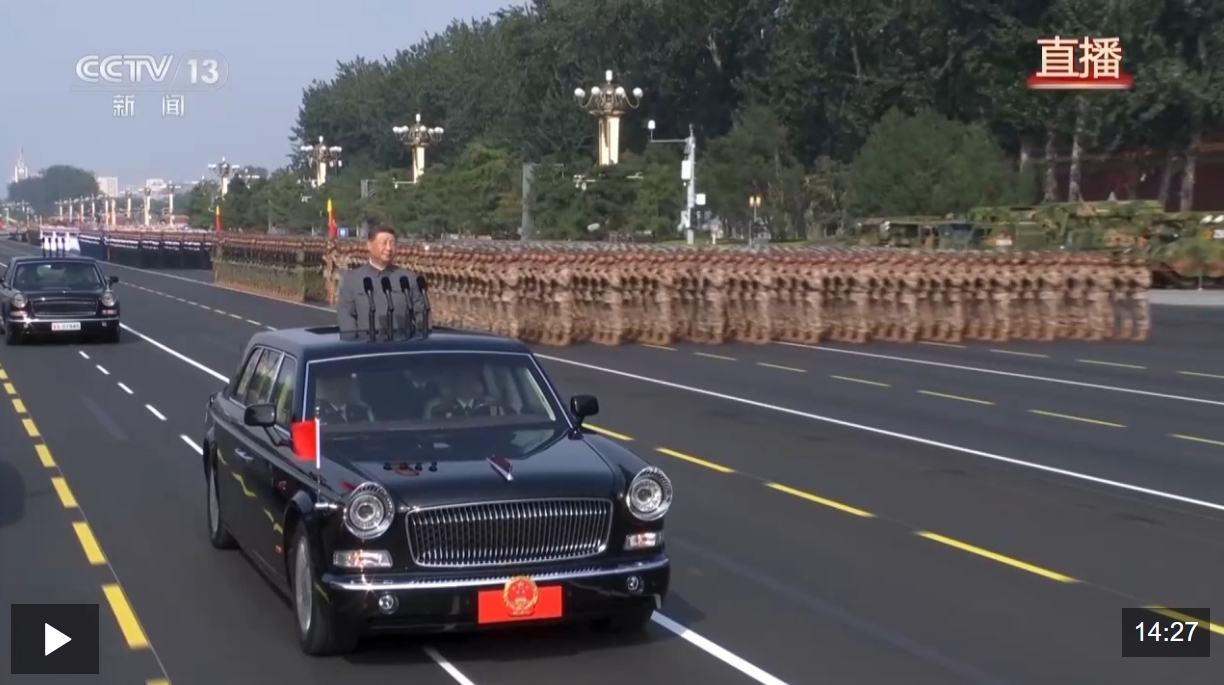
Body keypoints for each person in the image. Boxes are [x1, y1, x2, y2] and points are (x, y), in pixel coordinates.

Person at [335, 226, 427, 338]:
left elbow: (421, 313)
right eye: (384, 243)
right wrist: (353, 342)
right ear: (369, 245)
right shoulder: (353, 279)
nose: (389, 248)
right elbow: (346, 315)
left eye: (392, 244)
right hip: (366, 344)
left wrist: (420, 339)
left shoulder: (408, 279)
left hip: (401, 344)